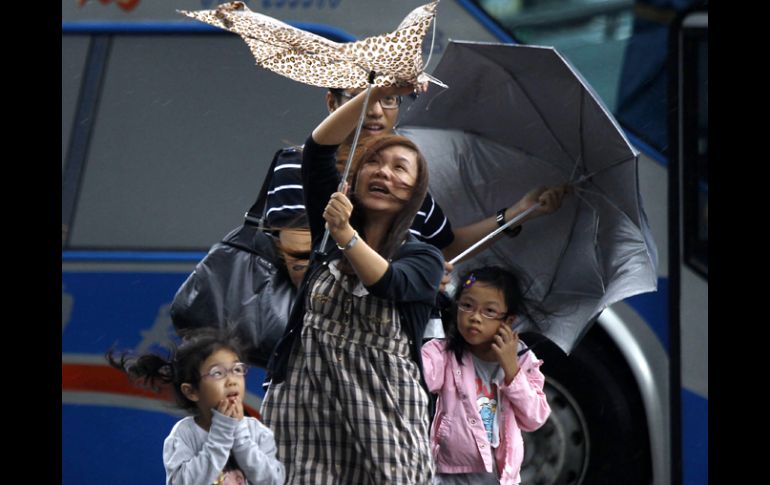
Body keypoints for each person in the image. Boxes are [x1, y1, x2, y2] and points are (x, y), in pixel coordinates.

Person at [260, 84, 445, 483]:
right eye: (373, 163)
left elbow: (387, 283)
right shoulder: (329, 225)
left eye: (399, 168)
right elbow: (318, 149)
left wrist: (345, 234)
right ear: (356, 177)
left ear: (414, 192)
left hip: (385, 419)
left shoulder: (424, 258)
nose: (384, 172)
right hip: (305, 411)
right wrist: (377, 92)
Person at [264, 87, 568, 263]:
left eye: (388, 99)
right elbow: (301, 259)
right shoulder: (297, 166)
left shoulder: (403, 185)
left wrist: (518, 213)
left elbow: (444, 247)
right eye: (360, 97)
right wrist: (402, 276)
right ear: (333, 103)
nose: (375, 111)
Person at [421, 266, 552, 485]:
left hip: (499, 476)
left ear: (508, 321)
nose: (475, 318)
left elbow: (534, 418)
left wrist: (511, 369)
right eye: (467, 306)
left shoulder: (523, 360)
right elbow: (421, 381)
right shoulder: (443, 352)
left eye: (489, 311)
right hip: (447, 471)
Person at [107, 328, 285, 485]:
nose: (232, 380)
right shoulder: (184, 435)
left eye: (237, 369)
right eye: (217, 373)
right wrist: (221, 434)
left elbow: (272, 480)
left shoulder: (256, 431)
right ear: (191, 391)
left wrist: (240, 436)